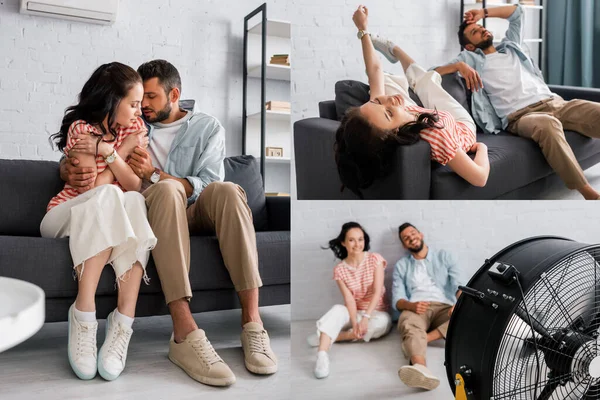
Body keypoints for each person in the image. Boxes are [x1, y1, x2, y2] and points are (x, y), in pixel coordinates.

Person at [58, 59, 277, 387]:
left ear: (174, 94)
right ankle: (184, 332)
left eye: (151, 98)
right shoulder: (131, 123)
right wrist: (67, 166)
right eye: (138, 99)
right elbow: (90, 146)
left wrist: (155, 174)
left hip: (195, 209)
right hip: (153, 210)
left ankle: (253, 324)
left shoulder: (207, 127)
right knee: (166, 191)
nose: (142, 106)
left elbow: (207, 184)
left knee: (229, 190)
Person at [41, 62, 158, 381]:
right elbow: (94, 188)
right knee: (110, 196)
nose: (139, 112)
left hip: (111, 210)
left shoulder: (136, 130)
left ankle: (123, 320)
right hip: (64, 215)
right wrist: (117, 154)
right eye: (133, 104)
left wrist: (108, 152)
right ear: (111, 100)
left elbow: (135, 186)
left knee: (132, 199)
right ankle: (83, 314)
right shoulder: (82, 129)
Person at [436, 4, 600, 200]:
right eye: (475, 32)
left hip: (555, 103)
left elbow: (517, 12)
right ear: (469, 46)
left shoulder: (512, 46)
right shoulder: (469, 59)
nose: (481, 29)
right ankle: (587, 192)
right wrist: (458, 65)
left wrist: (483, 12)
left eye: (480, 27)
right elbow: (430, 73)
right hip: (521, 116)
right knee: (548, 125)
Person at [335, 5, 489, 198]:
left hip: (412, 115)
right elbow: (480, 178)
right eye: (388, 113)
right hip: (459, 126)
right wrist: (482, 147)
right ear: (395, 133)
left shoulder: (379, 115)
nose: (387, 101)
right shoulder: (436, 135)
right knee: (427, 82)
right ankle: (396, 50)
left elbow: (373, 69)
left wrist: (362, 28)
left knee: (384, 79)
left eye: (377, 102)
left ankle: (393, 50)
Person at [308, 222, 392, 379]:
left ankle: (326, 337)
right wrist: (355, 323)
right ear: (343, 242)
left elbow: (376, 292)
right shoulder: (340, 270)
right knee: (336, 311)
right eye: (352, 240)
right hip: (354, 311)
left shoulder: (375, 260)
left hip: (376, 312)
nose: (357, 244)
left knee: (381, 325)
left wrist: (365, 319)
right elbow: (349, 300)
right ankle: (322, 355)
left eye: (360, 239)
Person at [392, 223, 462, 391]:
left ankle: (422, 338)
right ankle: (421, 369)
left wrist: (459, 304)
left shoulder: (443, 256)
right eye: (406, 238)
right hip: (417, 307)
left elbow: (460, 286)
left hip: (444, 305)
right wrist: (411, 305)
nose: (411, 238)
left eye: (413, 233)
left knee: (467, 316)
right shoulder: (401, 266)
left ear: (421, 234)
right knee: (408, 323)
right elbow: (397, 299)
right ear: (404, 245)